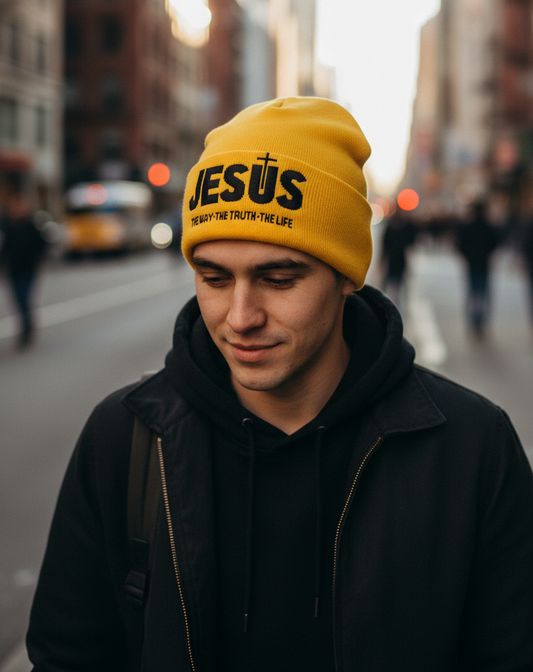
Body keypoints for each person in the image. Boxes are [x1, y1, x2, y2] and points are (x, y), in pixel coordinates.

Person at [27, 98, 533, 671]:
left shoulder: (471, 448)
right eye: (214, 278)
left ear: (345, 274)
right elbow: (68, 654)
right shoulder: (126, 440)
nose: (240, 316)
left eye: (278, 278)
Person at [0, 192, 46, 347]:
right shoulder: (6, 225)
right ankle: (26, 326)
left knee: (24, 297)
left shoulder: (31, 225)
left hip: (28, 269)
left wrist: (38, 260)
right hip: (13, 269)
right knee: (17, 301)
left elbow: (42, 245)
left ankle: (26, 330)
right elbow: (4, 249)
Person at [456, 199, 500, 337]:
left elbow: (460, 244)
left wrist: (468, 255)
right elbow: (495, 243)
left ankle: (475, 319)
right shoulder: (488, 226)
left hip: (472, 263)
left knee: (473, 291)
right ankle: (480, 320)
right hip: (483, 263)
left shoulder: (468, 226)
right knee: (482, 291)